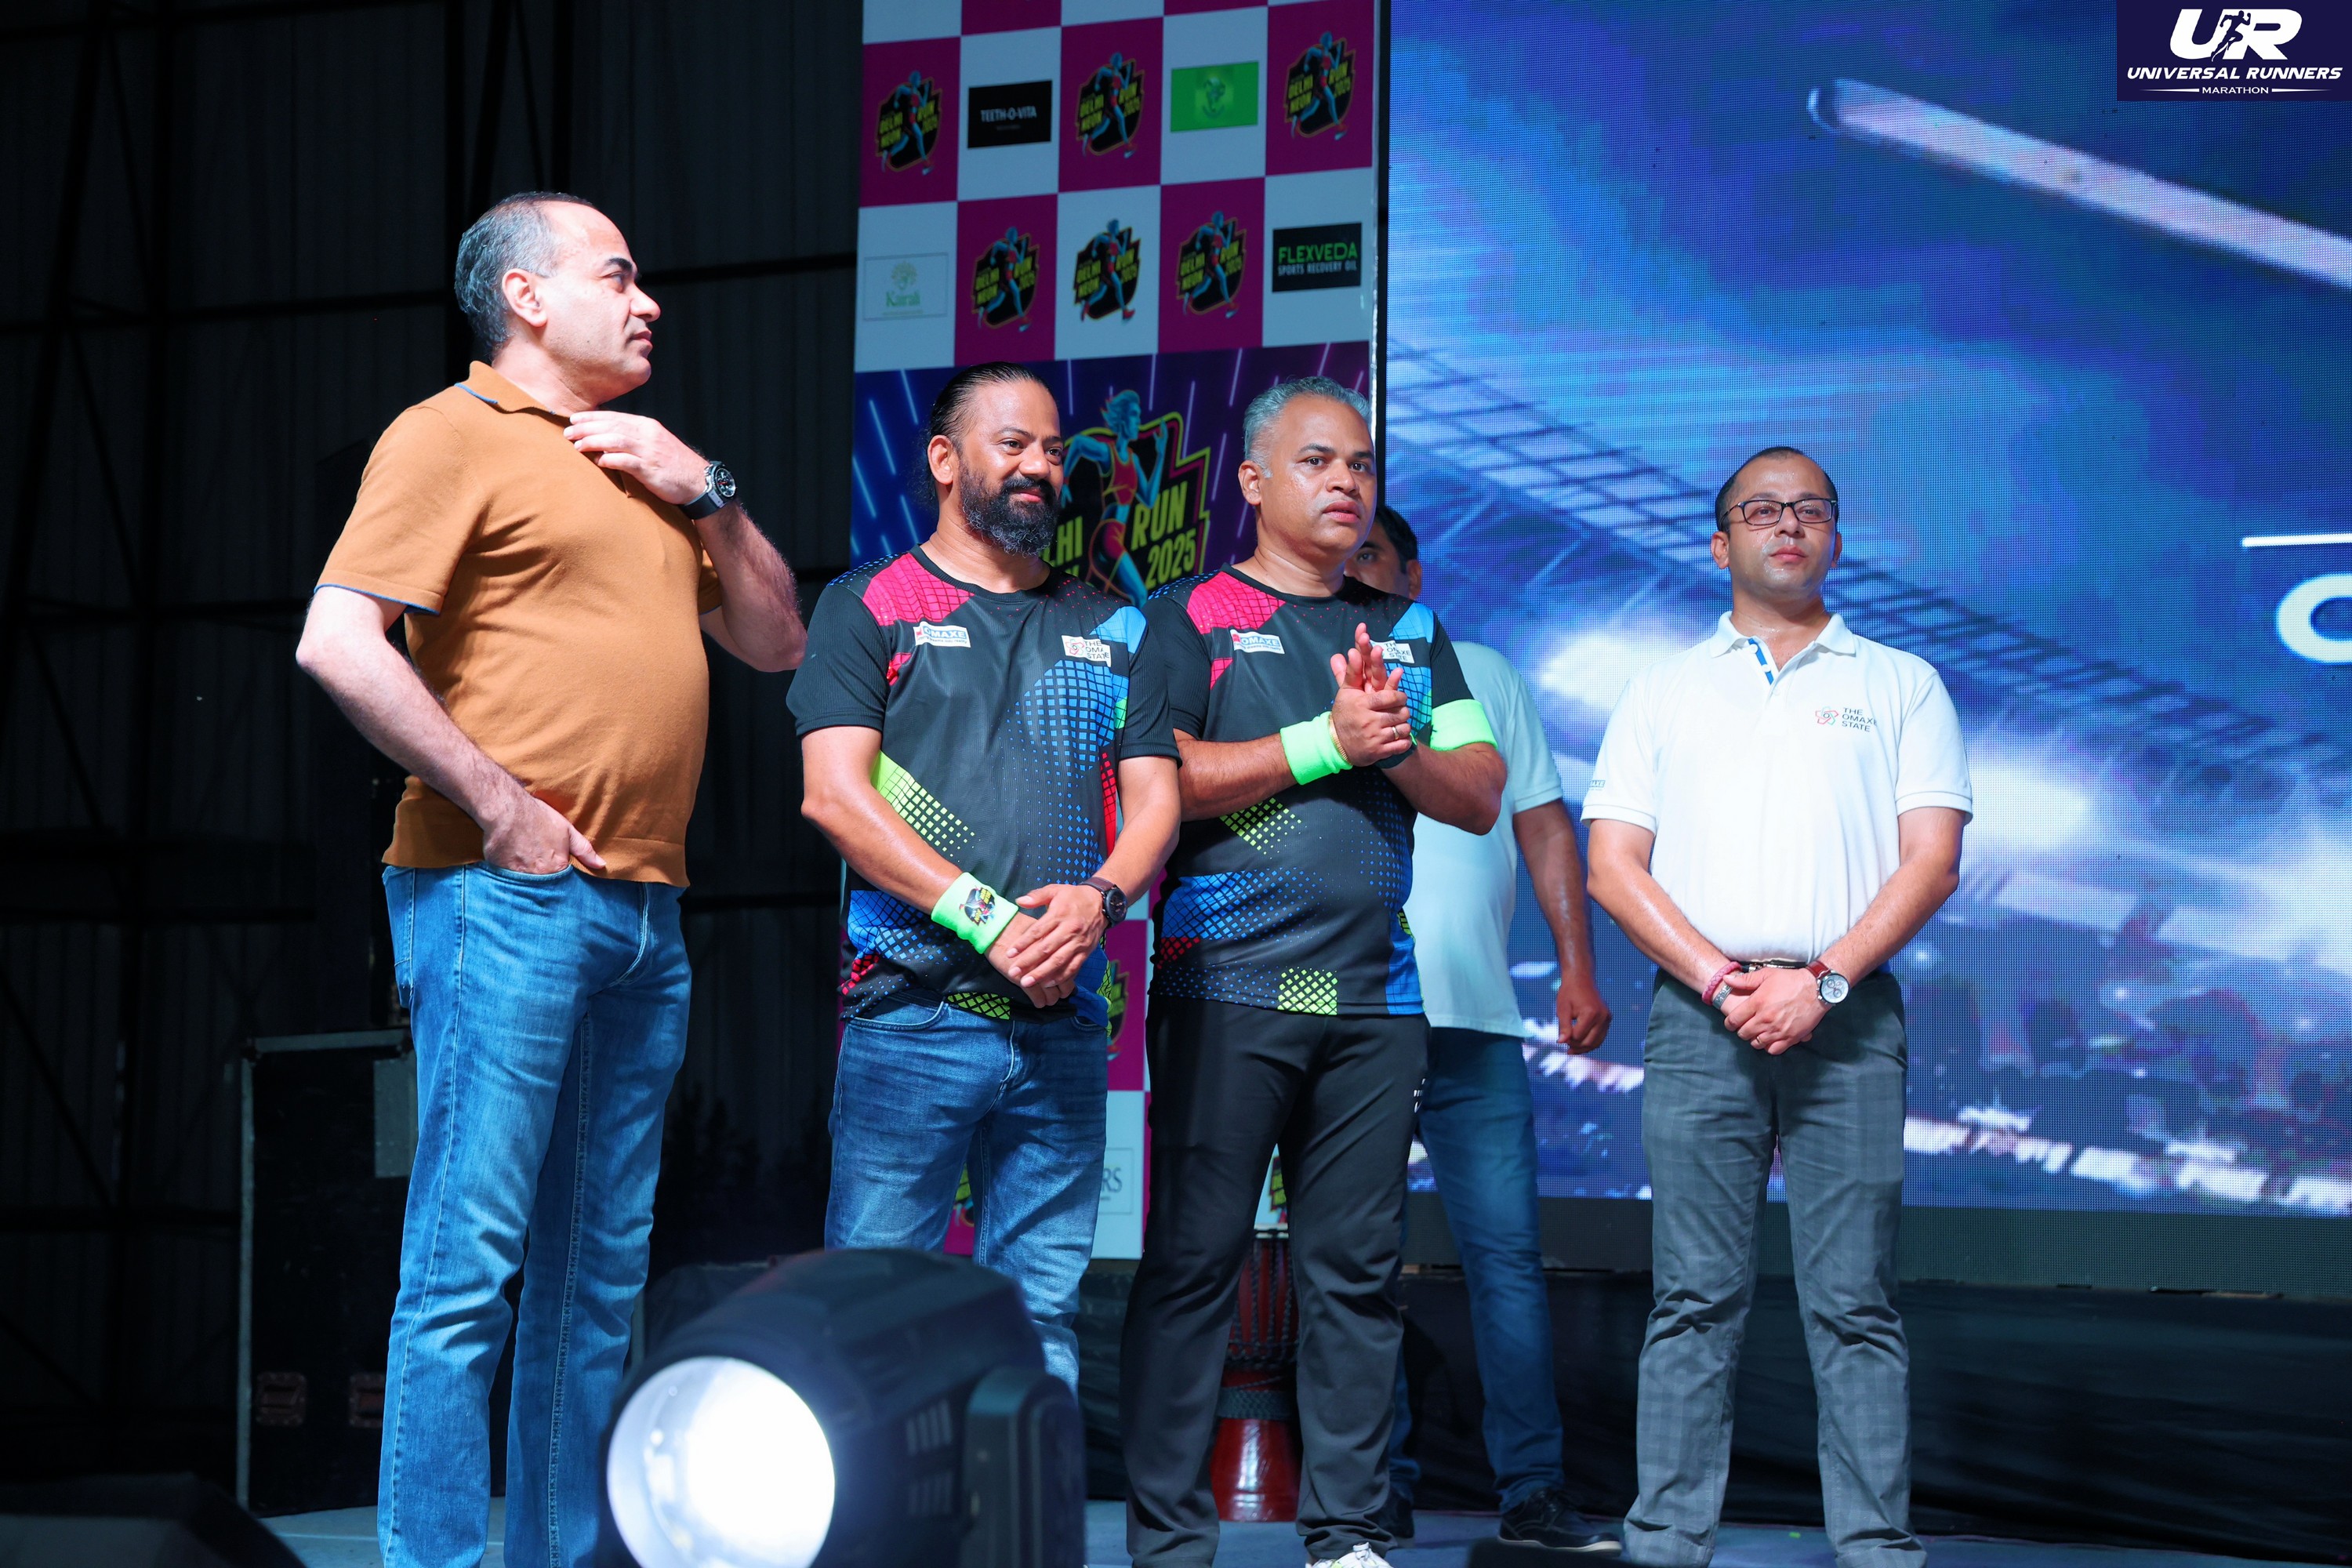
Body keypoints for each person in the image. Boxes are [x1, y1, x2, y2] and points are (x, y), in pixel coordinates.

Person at [296, 191, 804, 1568]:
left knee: (595, 1284)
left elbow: (777, 642)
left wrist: (704, 485)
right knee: (465, 1273)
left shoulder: (646, 466)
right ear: (525, 297)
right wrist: (498, 802)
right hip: (498, 895)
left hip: (646, 911)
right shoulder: (450, 431)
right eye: (617, 276)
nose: (649, 302)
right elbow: (338, 640)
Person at [1121, 378, 1508, 1568]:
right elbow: (1162, 782)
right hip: (1225, 985)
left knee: (1357, 1279)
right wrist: (1323, 741)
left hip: (1374, 1001)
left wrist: (1387, 746)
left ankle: (1345, 1535)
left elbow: (1480, 794)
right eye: (1318, 461)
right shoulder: (1187, 615)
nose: (1347, 482)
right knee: (1194, 1269)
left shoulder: (1407, 631)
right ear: (1252, 481)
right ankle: (1170, 1545)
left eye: (1363, 466)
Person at [1582, 447, 1971, 1568]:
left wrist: (1823, 983)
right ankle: (1664, 1544)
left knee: (1854, 1302)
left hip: (1849, 1016)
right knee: (1693, 1298)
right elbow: (1612, 866)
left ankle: (1877, 1549)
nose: (1787, 525)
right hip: (1699, 1016)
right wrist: (1720, 979)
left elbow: (1933, 861)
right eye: (1762, 510)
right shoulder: (1661, 689)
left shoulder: (1900, 683)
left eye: (1810, 510)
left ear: (1835, 539)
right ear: (1721, 544)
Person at [792, 361, 1181, 1394]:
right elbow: (834, 798)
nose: (1039, 466)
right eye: (1012, 444)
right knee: (873, 1313)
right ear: (943, 458)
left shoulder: (1117, 625)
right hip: (909, 1014)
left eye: (1052, 449)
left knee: (1039, 1320)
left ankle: (1026, 1500)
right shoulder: (869, 604)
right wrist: (987, 920)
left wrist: (1100, 902)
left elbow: (1157, 803)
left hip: (1063, 1020)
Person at [1345, 505, 1619, 1552]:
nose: (1357, 567)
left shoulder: (1485, 673)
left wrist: (1578, 966)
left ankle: (1533, 1492)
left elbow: (1543, 824)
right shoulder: (1306, 671)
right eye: (1343, 553)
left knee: (1505, 1258)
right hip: (1352, 1016)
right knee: (1358, 1263)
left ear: (1415, 576)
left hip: (1475, 1020)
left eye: (1375, 553)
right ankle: (1372, 1490)